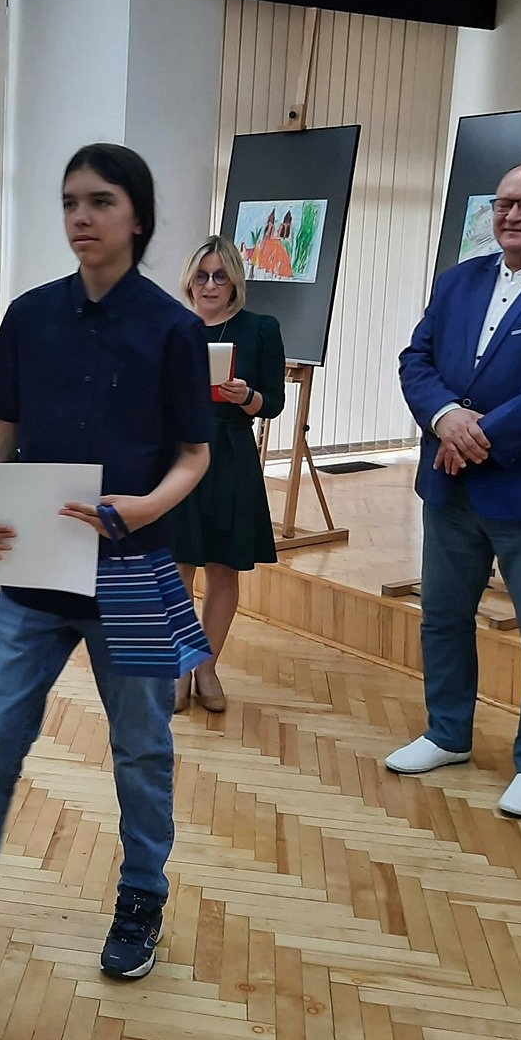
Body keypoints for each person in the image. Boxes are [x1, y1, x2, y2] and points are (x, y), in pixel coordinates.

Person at [0, 143, 212, 992]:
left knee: (142, 749)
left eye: (100, 201)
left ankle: (141, 898)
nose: (81, 217)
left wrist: (146, 506)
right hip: (36, 565)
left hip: (134, 569)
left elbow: (194, 455)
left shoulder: (174, 330)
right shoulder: (30, 315)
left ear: (137, 217)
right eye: (71, 201)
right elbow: (3, 428)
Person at [388, 161, 521, 819]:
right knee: (443, 619)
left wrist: (479, 433)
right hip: (451, 486)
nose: (513, 215)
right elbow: (416, 360)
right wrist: (444, 418)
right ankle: (447, 734)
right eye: (504, 203)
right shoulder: (459, 280)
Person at [168, 236, 285, 714]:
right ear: (189, 281)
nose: (210, 285)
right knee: (179, 566)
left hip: (232, 452)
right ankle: (179, 668)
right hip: (179, 454)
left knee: (222, 566)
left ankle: (207, 667)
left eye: (220, 275)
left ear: (235, 279)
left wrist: (246, 397)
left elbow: (273, 403)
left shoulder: (261, 328)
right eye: (202, 276)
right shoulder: (171, 327)